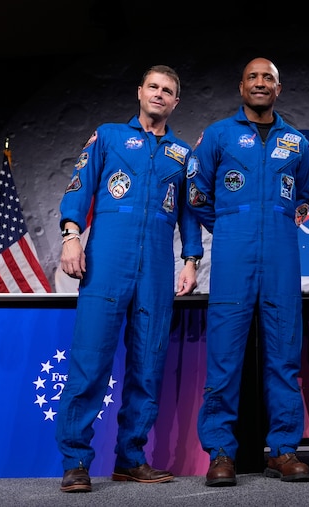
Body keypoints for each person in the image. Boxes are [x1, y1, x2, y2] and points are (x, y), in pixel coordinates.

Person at [56, 64, 203, 493]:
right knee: (90, 362)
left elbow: (189, 214)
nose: (159, 94)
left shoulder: (182, 155)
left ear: (176, 102)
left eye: (168, 91)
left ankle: (131, 458)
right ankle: (76, 462)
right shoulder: (108, 137)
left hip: (157, 268)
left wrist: (191, 260)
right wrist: (71, 236)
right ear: (140, 92)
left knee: (148, 365)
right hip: (107, 263)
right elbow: (79, 187)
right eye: (153, 87)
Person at [186, 57, 309, 487]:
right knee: (224, 359)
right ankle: (221, 452)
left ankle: (283, 450)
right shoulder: (219, 135)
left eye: (269, 79)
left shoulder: (297, 143)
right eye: (254, 77)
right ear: (242, 86)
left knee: (284, 358)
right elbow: (196, 193)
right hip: (232, 255)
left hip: (281, 257)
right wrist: (228, 225)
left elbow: (308, 193)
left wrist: (277, 222)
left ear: (279, 89)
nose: (261, 84)